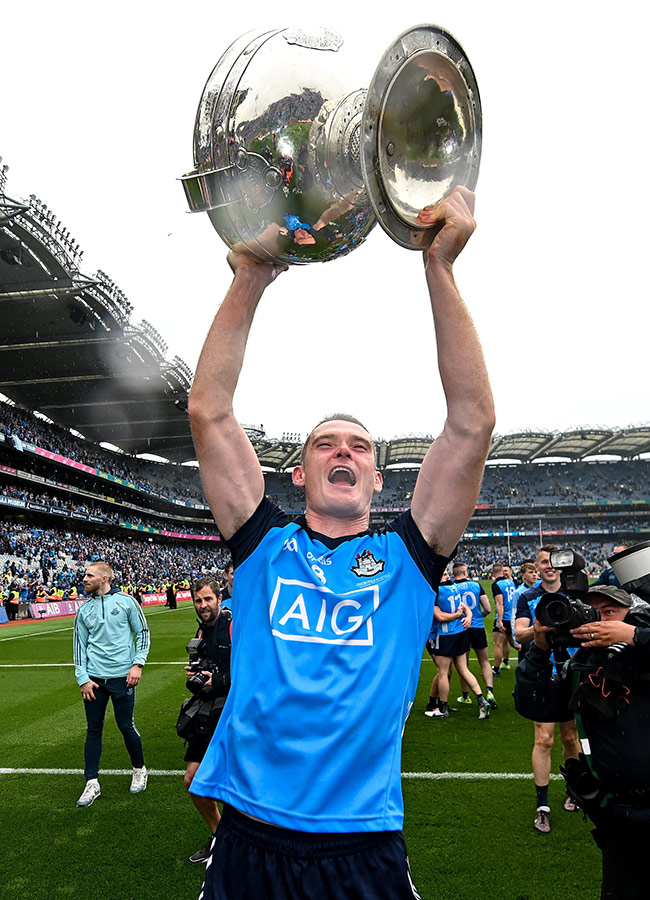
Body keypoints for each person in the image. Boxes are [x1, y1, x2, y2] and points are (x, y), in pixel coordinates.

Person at [187, 185, 495, 900]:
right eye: (326, 443)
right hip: (249, 839)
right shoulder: (263, 549)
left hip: (365, 846)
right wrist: (250, 276)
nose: (343, 450)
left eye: (358, 444)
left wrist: (440, 270)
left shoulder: (408, 564)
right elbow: (209, 411)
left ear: (378, 478)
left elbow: (471, 425)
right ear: (300, 472)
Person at [514, 585, 650, 900]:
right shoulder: (580, 667)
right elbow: (534, 704)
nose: (599, 620)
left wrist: (633, 637)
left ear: (630, 615)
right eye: (591, 612)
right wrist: (539, 648)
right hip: (617, 813)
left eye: (609, 612)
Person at [514, 546, 581, 832]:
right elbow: (519, 633)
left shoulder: (576, 595)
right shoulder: (527, 597)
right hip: (542, 672)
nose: (549, 566)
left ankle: (573, 789)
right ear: (537, 567)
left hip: (573, 671)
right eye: (544, 562)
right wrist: (539, 629)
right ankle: (542, 805)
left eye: (554, 562)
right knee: (544, 739)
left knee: (570, 737)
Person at [73, 561, 150, 807]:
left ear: (105, 578)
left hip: (122, 678)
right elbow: (79, 647)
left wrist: (138, 663)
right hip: (94, 681)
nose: (84, 579)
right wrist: (83, 678)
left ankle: (139, 769)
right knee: (93, 729)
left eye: (89, 575)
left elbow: (143, 633)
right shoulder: (83, 610)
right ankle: (91, 782)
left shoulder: (127, 602)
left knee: (126, 726)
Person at [182, 577, 232, 864]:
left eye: (208, 599)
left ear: (219, 599)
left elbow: (252, 670)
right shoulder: (201, 632)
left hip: (230, 713)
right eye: (198, 600)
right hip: (206, 711)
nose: (203, 605)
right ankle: (220, 834)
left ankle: (243, 838)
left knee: (233, 782)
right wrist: (196, 676)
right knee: (192, 779)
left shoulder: (233, 626)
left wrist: (220, 680)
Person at [429, 574, 492, 719]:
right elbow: (466, 608)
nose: (445, 575)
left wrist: (457, 616)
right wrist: (468, 618)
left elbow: (440, 617)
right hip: (461, 633)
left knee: (443, 672)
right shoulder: (454, 588)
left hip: (446, 635)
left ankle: (443, 708)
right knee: (463, 669)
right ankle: (481, 700)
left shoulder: (435, 591)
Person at [451, 560, 496, 707]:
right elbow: (488, 608)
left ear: (454, 574)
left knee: (464, 664)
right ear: (465, 572)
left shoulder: (451, 588)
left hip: (461, 628)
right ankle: (489, 691)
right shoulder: (476, 585)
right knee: (484, 660)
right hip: (477, 626)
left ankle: (466, 696)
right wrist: (477, 617)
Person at [490, 563, 517, 675]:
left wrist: (499, 620)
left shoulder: (497, 585)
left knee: (498, 644)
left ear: (493, 572)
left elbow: (499, 603)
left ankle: (496, 669)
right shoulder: (510, 582)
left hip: (504, 617)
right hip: (512, 616)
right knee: (511, 642)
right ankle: (506, 661)